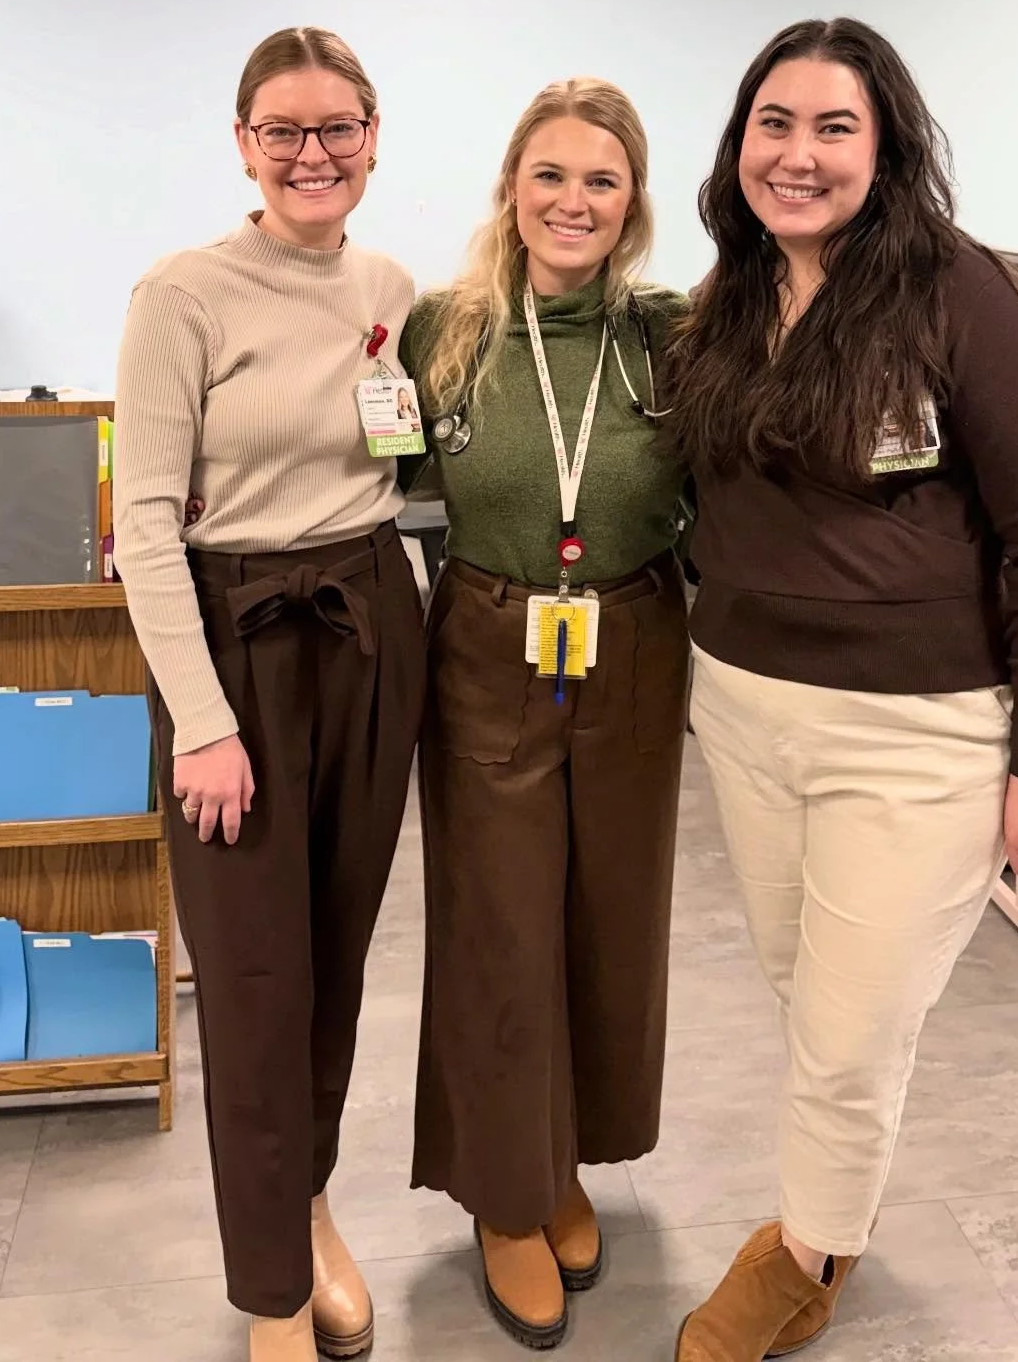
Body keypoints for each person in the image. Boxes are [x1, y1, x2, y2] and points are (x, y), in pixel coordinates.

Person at [666, 19, 1018, 1361]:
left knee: (853, 1031)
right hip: (742, 711)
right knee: (812, 994)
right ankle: (834, 1205)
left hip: (915, 738)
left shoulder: (964, 295)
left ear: (889, 144)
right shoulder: (730, 298)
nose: (797, 157)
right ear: (741, 142)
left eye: (832, 128)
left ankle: (804, 1251)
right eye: (773, 125)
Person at [113, 27, 426, 1362]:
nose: (314, 153)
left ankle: (305, 1208)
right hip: (234, 644)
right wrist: (203, 721)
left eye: (338, 128)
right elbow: (140, 522)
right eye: (284, 130)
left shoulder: (391, 286)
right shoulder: (182, 293)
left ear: (372, 137)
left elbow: (402, 464)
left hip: (366, 624)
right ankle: (269, 1297)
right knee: (249, 980)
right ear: (243, 143)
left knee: (334, 964)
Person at [400, 79, 691, 1350]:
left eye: (602, 180)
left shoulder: (671, 337)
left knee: (609, 920)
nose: (574, 201)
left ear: (632, 204)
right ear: (512, 188)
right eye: (552, 175)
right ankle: (506, 1200)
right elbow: (358, 466)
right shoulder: (439, 331)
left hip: (632, 635)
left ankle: (568, 1161)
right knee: (500, 926)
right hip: (486, 639)